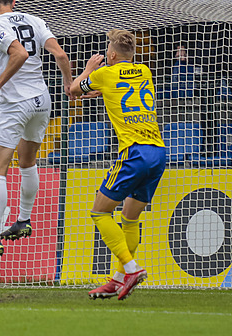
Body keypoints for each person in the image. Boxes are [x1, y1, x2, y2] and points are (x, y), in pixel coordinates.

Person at [0, 0, 73, 262]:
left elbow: (19, 53)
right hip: (42, 101)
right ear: (13, 2)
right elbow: (60, 55)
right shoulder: (35, 21)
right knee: (27, 163)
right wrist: (68, 84)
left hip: (15, 104)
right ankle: (23, 220)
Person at [69, 29, 166, 300]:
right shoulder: (144, 71)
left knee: (100, 212)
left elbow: (73, 90)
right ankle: (118, 278)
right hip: (158, 152)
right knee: (129, 218)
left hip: (134, 151)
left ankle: (132, 269)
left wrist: (88, 69)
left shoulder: (103, 74)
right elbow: (115, 92)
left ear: (110, 55)